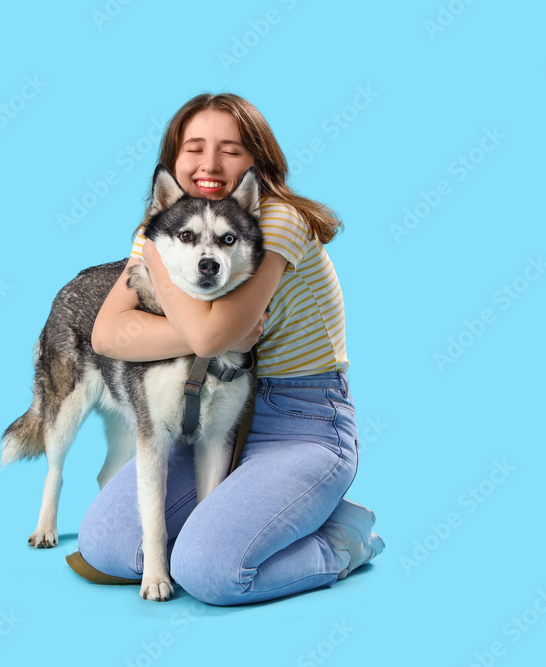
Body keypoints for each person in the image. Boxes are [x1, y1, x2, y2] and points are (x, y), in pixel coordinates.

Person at [68, 92, 384, 605]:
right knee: (106, 546)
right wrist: (193, 318)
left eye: (230, 149)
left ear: (258, 160)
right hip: (206, 421)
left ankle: (341, 539)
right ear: (173, 159)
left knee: (210, 574)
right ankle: (238, 522)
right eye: (194, 148)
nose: (210, 164)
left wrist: (162, 267)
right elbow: (107, 335)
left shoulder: (272, 222)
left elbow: (210, 336)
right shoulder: (167, 225)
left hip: (299, 422)